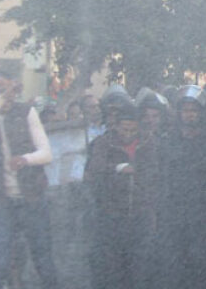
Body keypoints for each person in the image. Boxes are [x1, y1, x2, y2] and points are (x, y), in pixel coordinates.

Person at [0, 71, 59, 289]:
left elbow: (47, 153)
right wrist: (0, 99)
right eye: (0, 89)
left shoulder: (26, 112)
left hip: (31, 197)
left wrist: (25, 159)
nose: (8, 94)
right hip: (1, 200)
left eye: (9, 88)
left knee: (43, 257)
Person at [160, 85, 206, 289]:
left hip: (204, 213)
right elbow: (160, 177)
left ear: (201, 112)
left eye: (193, 110)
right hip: (174, 214)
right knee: (176, 265)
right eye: (185, 110)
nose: (189, 115)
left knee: (203, 263)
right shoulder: (166, 142)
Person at [85, 102, 160, 289]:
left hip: (141, 214)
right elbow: (94, 170)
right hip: (111, 215)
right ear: (117, 126)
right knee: (113, 267)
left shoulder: (149, 142)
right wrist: (118, 168)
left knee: (140, 266)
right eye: (124, 129)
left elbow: (156, 172)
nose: (128, 134)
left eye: (132, 130)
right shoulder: (103, 143)